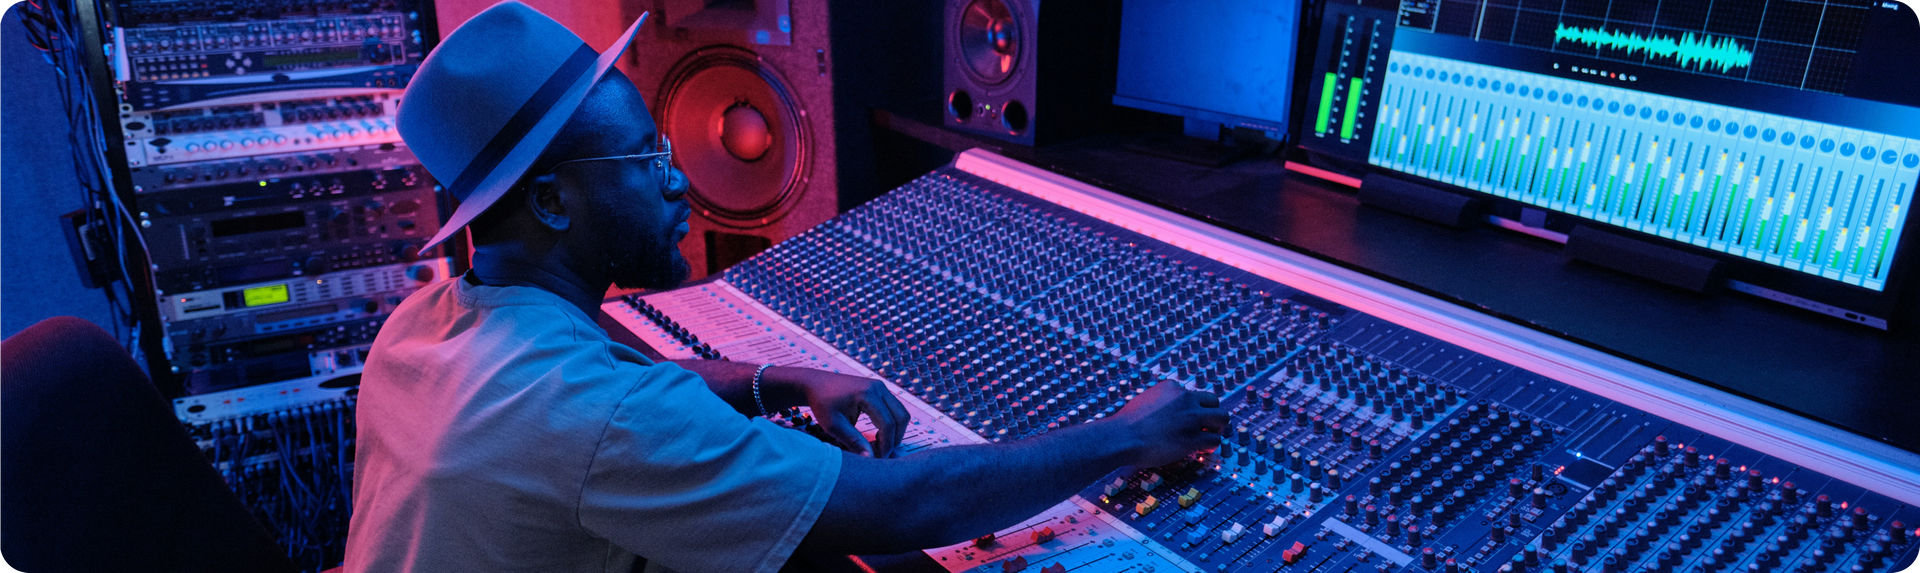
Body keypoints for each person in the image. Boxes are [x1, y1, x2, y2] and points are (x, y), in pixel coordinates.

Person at [343, 3, 1228, 572]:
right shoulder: (597, 421)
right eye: (647, 160)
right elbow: (907, 502)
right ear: (550, 201)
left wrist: (777, 379)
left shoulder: (429, 324)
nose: (679, 180)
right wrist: (1124, 436)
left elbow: (624, 395)